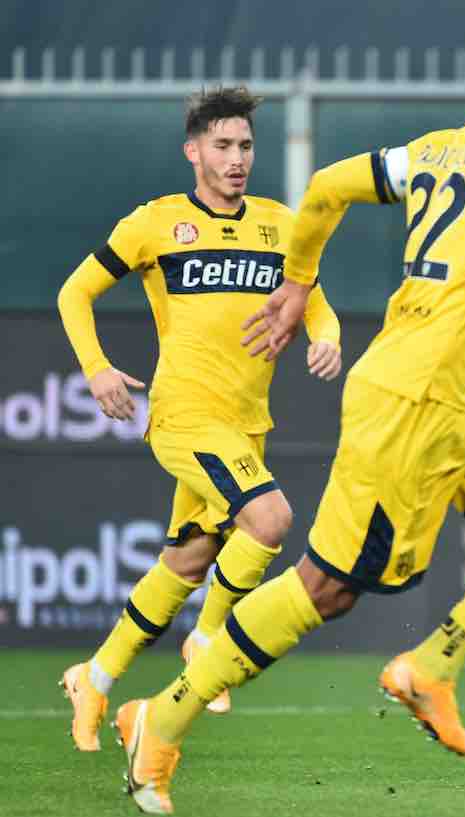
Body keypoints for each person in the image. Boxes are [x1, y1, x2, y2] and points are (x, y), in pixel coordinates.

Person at [110, 21, 465, 814]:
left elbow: (326, 190)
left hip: (462, 396)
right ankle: (161, 718)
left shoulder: (443, 147)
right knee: (326, 588)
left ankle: (433, 666)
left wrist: (297, 279)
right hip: (411, 401)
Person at [55, 85, 342, 753]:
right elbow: (75, 291)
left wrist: (325, 335)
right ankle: (208, 639)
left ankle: (93, 676)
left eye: (245, 145)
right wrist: (96, 366)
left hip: (247, 422)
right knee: (268, 519)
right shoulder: (154, 222)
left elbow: (313, 300)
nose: (237, 157)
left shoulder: (278, 222)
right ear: (193, 151)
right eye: (222, 145)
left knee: (186, 560)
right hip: (186, 413)